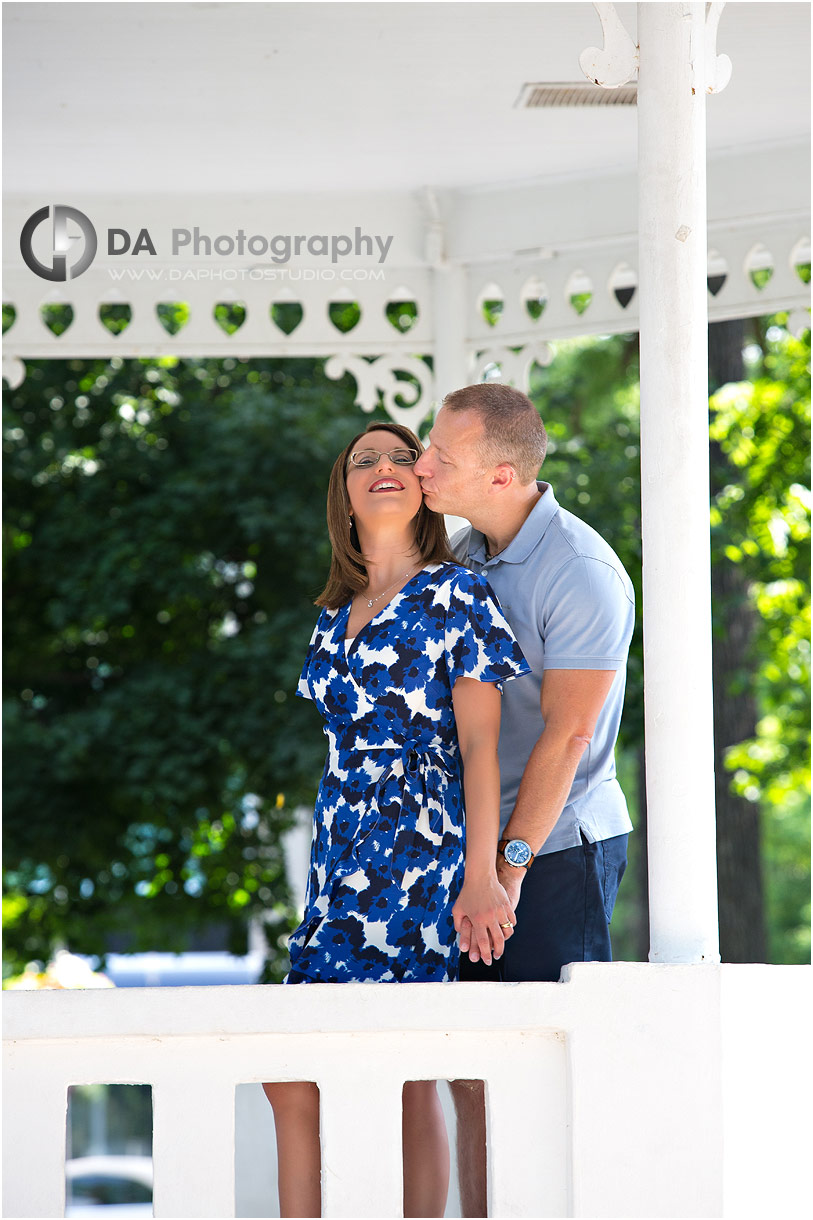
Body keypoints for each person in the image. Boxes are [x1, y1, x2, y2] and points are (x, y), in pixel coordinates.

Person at [262, 420, 529, 1219]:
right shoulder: (332, 609)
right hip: (339, 847)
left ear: (422, 486)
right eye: (362, 460)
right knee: (291, 1066)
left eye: (400, 456)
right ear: (344, 497)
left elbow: (481, 746)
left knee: (407, 1064)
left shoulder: (456, 592)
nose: (383, 466)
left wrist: (482, 873)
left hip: (417, 846)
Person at [414, 383, 636, 1216]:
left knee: (549, 1069)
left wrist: (505, 869)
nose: (422, 463)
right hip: (476, 852)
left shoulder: (579, 572)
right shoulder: (466, 557)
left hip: (555, 850)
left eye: (444, 456)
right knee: (474, 1067)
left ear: (502, 476)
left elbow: (567, 737)